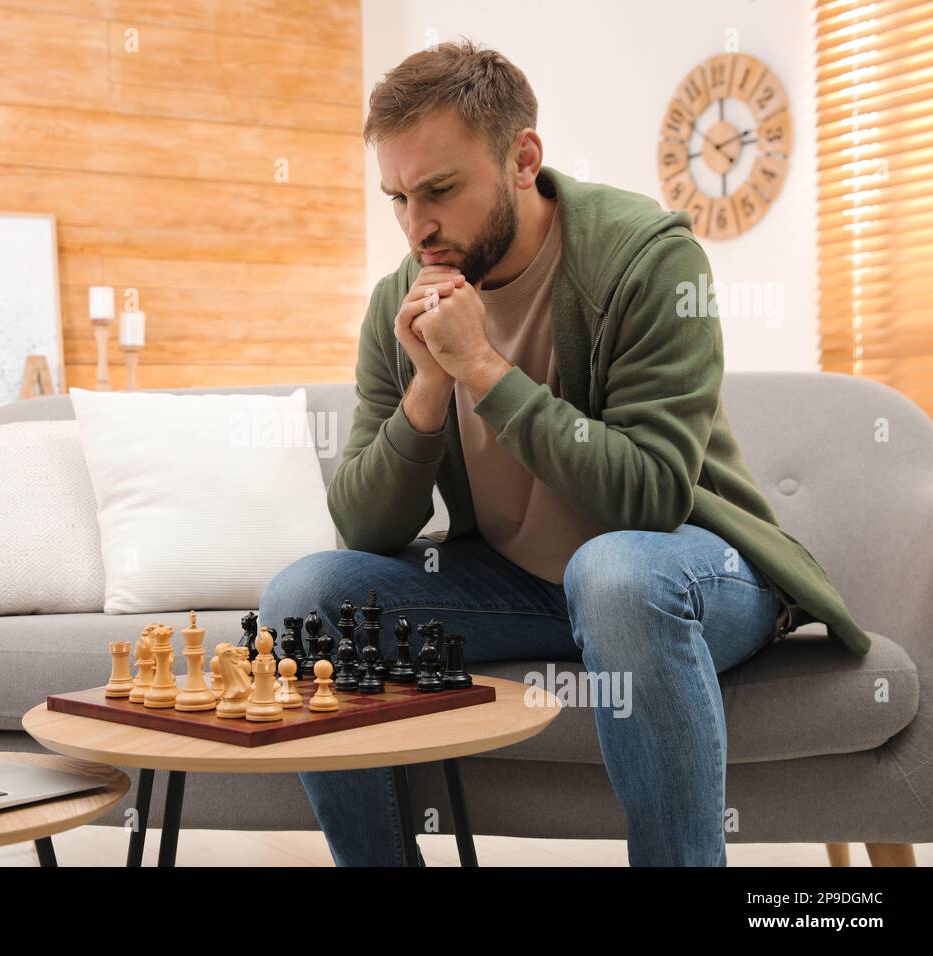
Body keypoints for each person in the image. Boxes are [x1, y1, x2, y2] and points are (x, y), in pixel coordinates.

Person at [258, 37, 869, 867]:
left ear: (523, 158)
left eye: (439, 190)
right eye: (396, 196)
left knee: (612, 573)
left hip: (692, 573)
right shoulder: (399, 302)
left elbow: (651, 497)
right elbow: (363, 527)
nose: (416, 227)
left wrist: (483, 367)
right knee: (300, 598)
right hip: (518, 585)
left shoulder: (649, 258)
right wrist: (430, 389)